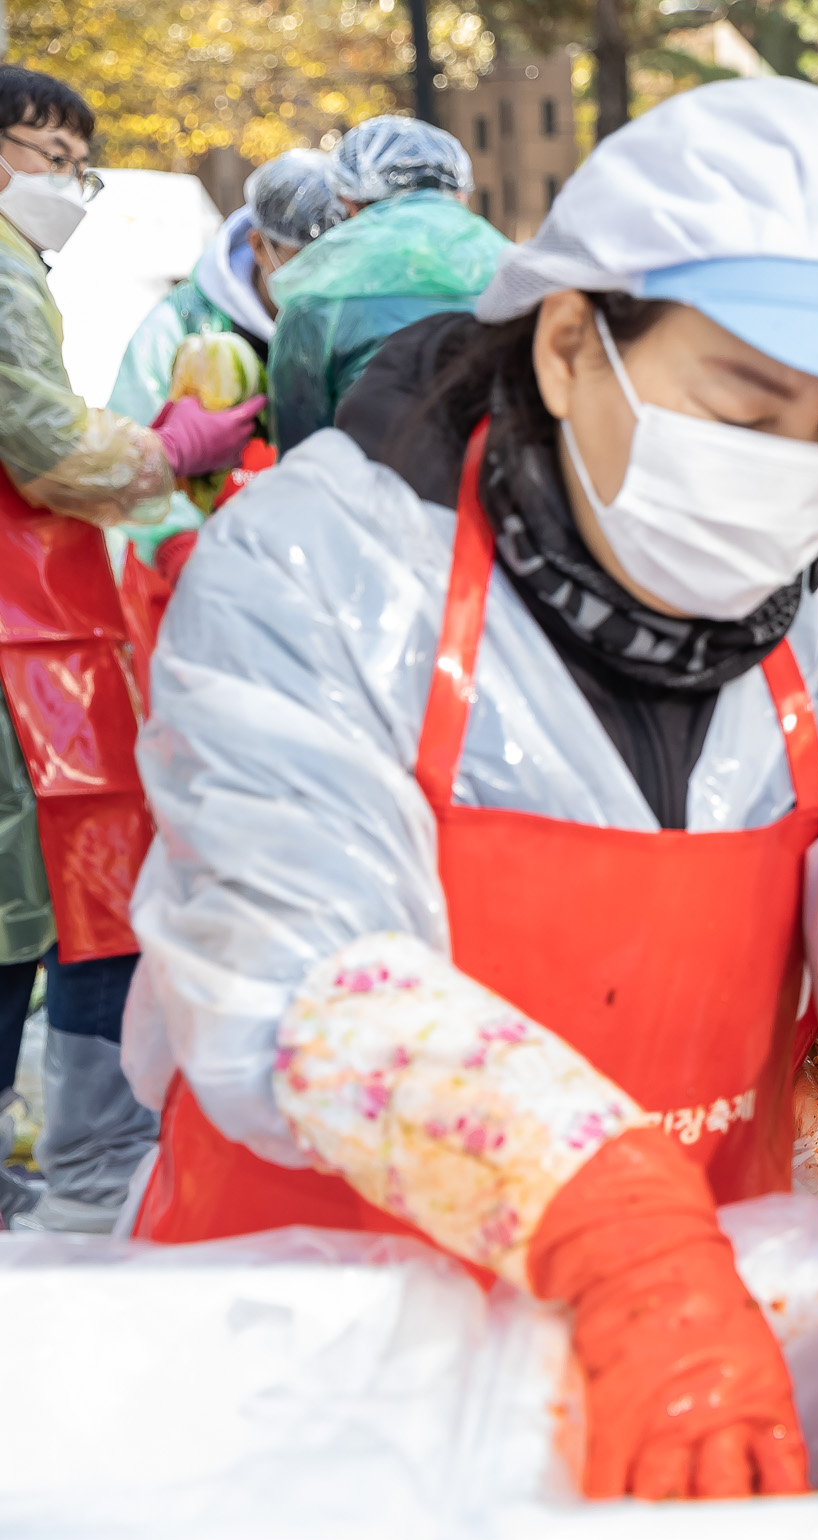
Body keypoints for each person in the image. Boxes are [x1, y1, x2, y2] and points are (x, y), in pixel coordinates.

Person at [123, 81, 818, 1497]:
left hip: (695, 1374)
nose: (789, 469)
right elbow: (302, 973)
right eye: (744, 403)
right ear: (576, 343)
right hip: (301, 1377)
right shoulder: (317, 569)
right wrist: (625, 1220)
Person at [0, 66, 261, 1233]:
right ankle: (90, 1151)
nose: (63, 185)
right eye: (44, 157)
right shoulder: (5, 271)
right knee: (51, 893)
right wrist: (168, 450)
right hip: (29, 625)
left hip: (37, 615)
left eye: (72, 164)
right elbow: (49, 444)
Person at [107, 148, 343, 559]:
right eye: (306, 260)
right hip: (193, 564)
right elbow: (119, 458)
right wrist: (179, 545)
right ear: (258, 245)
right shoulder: (181, 327)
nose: (324, 279)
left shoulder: (350, 322)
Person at [265, 114, 506, 452]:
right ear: (460, 195)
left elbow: (298, 459)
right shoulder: (519, 277)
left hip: (363, 500)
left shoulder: (316, 301)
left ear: (350, 203)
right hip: (499, 499)